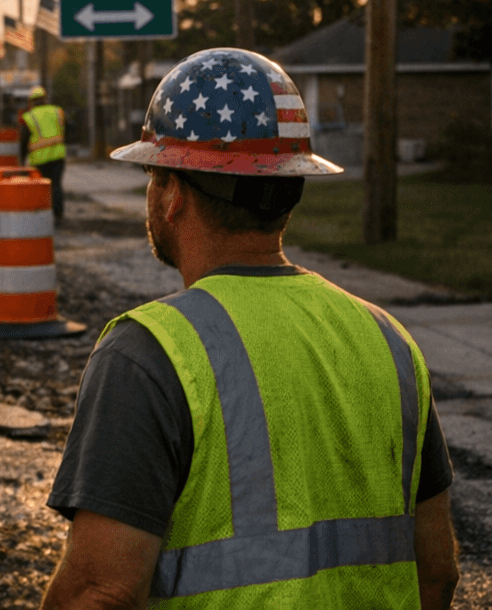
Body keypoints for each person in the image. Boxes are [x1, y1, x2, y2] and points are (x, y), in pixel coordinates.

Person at [41, 48, 460, 609]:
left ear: (173, 194)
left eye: (152, 173)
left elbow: (101, 594)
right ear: (289, 191)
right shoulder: (388, 341)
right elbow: (437, 573)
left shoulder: (150, 354)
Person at [19, 85, 67, 223]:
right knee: (56, 185)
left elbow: (24, 140)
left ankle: (43, 215)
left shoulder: (29, 117)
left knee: (42, 188)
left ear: (31, 102)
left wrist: (22, 160)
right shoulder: (57, 111)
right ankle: (58, 215)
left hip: (39, 159)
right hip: (58, 156)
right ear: (45, 99)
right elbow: (68, 130)